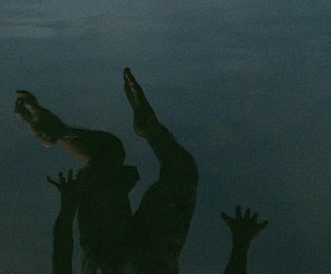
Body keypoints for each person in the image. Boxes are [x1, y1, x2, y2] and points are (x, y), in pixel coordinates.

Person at [16, 69, 268, 274]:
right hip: (108, 254)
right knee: (106, 153)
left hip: (151, 258)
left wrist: (241, 241)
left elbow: (61, 259)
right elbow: (61, 260)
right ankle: (59, 132)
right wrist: (68, 205)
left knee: (181, 173)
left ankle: (150, 130)